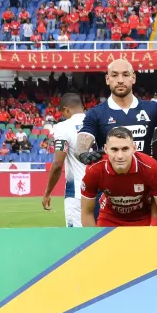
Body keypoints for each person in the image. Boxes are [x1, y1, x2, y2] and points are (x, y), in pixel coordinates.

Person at [75, 59, 157, 164]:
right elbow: (81, 144)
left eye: (126, 75)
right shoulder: (95, 113)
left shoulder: (154, 108)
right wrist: (83, 154)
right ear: (107, 79)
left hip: (145, 178)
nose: (120, 80)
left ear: (133, 78)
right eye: (114, 75)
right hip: (109, 178)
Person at [80, 127, 157, 227]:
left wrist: (156, 236)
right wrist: (95, 240)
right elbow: (86, 212)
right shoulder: (94, 169)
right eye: (114, 149)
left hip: (143, 218)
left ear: (134, 148)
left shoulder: (150, 167)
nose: (120, 156)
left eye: (125, 149)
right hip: (110, 218)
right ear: (106, 149)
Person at [42, 93, 87, 227]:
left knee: (77, 240)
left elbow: (57, 164)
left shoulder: (63, 127)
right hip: (100, 192)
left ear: (66, 109)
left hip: (77, 193)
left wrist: (47, 193)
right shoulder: (96, 121)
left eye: (63, 113)